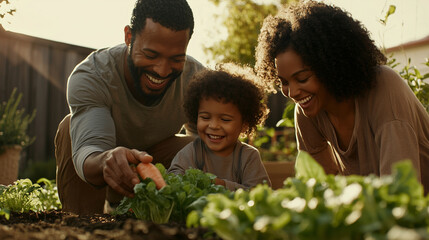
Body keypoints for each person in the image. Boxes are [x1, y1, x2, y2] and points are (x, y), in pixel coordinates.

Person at [254, 1, 429, 192]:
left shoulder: (384, 87)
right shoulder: (306, 112)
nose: (293, 92)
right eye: (284, 83)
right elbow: (318, 186)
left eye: (302, 78)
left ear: (330, 66)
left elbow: (401, 190)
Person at [54, 0, 205, 214]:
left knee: (202, 146)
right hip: (102, 170)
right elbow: (89, 149)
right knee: (69, 128)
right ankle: (83, 223)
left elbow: (215, 148)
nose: (162, 71)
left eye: (176, 59)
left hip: (155, 167)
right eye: (151, 55)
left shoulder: (197, 81)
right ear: (128, 36)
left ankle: (170, 221)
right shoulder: (94, 75)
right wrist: (107, 159)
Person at [168, 63, 272, 190]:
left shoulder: (248, 156)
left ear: (244, 124)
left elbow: (260, 192)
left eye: (225, 119)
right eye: (205, 117)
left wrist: (222, 186)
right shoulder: (191, 152)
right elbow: (173, 178)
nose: (213, 125)